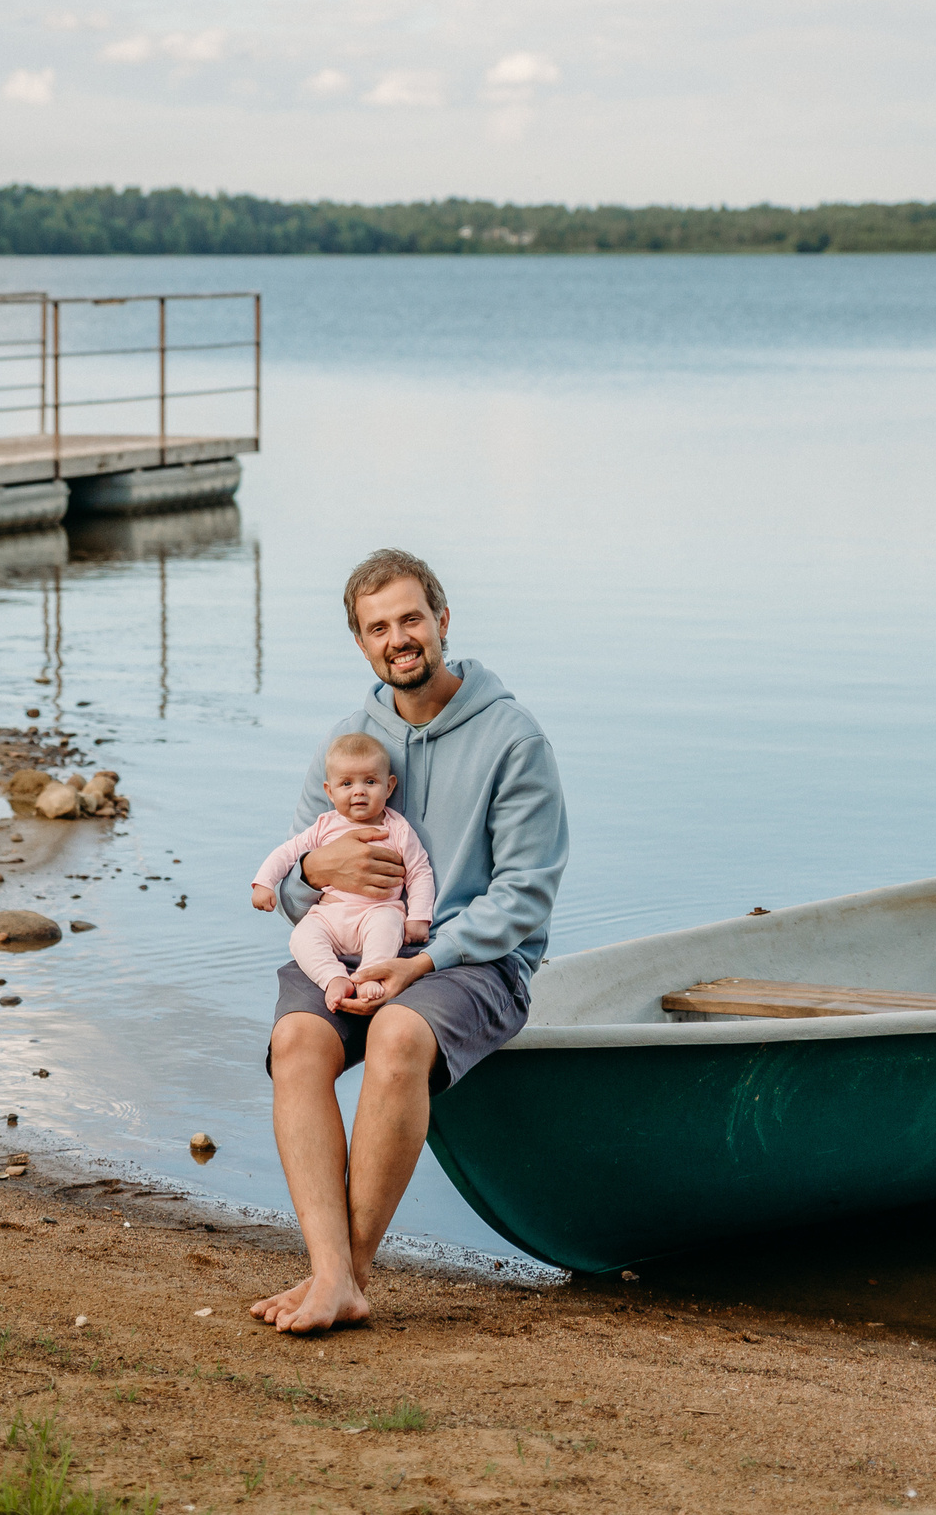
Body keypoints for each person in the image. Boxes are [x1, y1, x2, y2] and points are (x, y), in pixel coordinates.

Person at [252, 548, 568, 1335]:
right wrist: (314, 871)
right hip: (349, 944)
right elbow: (294, 877)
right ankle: (334, 1273)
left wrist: (420, 961)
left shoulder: (513, 737)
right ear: (361, 641)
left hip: (470, 959)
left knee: (397, 1031)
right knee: (296, 1043)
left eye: (410, 618)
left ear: (442, 620)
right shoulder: (349, 741)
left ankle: (343, 1277)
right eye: (378, 627)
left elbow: (525, 895)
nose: (398, 638)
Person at [250, 731, 437, 1013]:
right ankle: (333, 978)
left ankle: (370, 974)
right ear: (329, 791)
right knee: (302, 937)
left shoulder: (398, 829)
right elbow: (287, 853)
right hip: (330, 914)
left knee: (387, 927)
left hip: (376, 911)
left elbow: (419, 872)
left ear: (389, 786)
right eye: (347, 783)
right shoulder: (324, 826)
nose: (359, 791)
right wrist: (264, 882)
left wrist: (418, 917)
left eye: (370, 781)